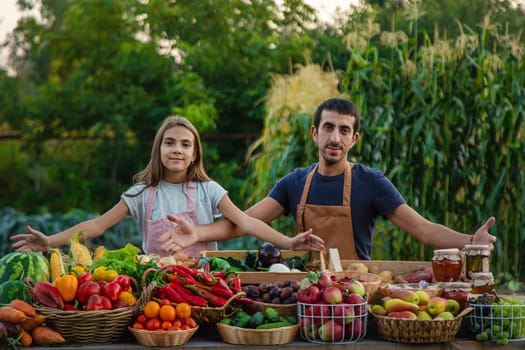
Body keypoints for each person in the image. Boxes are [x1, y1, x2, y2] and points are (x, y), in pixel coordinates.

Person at [160, 97, 497, 259]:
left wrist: (471, 240)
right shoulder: (294, 182)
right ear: (314, 133)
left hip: (355, 293)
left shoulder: (371, 182)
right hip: (305, 293)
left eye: (344, 130)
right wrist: (199, 233)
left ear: (354, 139)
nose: (335, 138)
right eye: (329, 128)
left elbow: (421, 228)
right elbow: (242, 222)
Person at [10, 116, 325, 257]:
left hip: (203, 284)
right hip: (155, 283)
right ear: (158, 150)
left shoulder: (208, 189)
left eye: (185, 144)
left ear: (194, 154)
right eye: (169, 142)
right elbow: (96, 225)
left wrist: (289, 241)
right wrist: (51, 241)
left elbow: (245, 221)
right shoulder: (140, 194)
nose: (177, 149)